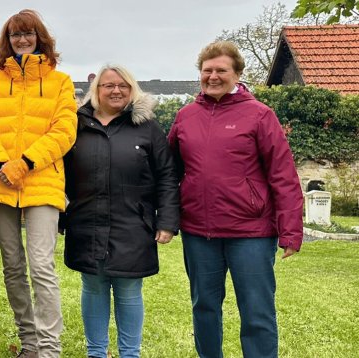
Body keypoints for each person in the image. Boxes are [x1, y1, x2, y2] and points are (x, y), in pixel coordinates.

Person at [168, 41, 303, 358]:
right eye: (207, 70)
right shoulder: (185, 117)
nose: (213, 76)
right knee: (204, 308)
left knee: (257, 311)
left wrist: (290, 231)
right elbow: (169, 173)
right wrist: (167, 219)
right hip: (199, 232)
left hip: (251, 233)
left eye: (221, 70)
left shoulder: (260, 115)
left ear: (237, 74)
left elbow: (283, 175)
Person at [0, 9, 77, 358]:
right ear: (8, 40)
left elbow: (64, 131)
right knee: (13, 266)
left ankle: (49, 349)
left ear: (39, 37)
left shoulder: (61, 82)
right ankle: (29, 344)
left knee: (41, 266)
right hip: (0, 182)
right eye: (15, 34)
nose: (22, 40)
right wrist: (2, 164)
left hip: (43, 183)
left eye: (28, 33)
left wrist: (25, 163)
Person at [62, 65, 180, 358]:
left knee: (128, 291)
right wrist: (60, 214)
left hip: (133, 223)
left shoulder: (147, 127)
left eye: (123, 86)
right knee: (93, 286)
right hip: (86, 221)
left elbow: (167, 175)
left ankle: (130, 354)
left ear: (131, 89)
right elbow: (58, 173)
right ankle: (96, 353)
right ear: (97, 90)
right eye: (109, 85)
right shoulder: (75, 124)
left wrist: (166, 220)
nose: (116, 90)